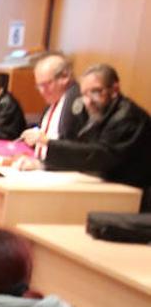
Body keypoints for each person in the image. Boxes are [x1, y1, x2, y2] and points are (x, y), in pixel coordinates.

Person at [26, 64, 151, 211]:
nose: (88, 101)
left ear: (115, 89)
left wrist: (48, 143)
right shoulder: (101, 113)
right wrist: (42, 164)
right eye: (84, 94)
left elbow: (100, 156)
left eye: (96, 92)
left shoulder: (128, 117)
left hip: (135, 198)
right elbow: (83, 148)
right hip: (113, 190)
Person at [20, 52, 89, 146]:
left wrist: (43, 140)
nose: (42, 91)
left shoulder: (77, 101)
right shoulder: (54, 101)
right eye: (39, 86)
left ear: (65, 77)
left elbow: (74, 146)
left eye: (45, 85)